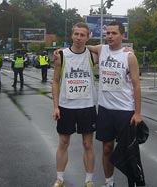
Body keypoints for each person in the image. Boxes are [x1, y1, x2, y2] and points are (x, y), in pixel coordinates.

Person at [87, 21, 142, 187]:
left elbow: (136, 85)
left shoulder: (129, 56)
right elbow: (83, 46)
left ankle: (133, 182)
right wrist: (62, 51)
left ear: (123, 35)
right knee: (107, 148)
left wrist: (138, 113)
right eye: (108, 33)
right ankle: (109, 183)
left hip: (125, 110)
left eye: (114, 33)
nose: (110, 36)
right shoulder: (101, 49)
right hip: (105, 109)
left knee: (128, 151)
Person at [52, 22, 97, 187]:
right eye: (76, 34)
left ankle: (89, 180)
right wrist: (56, 106)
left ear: (87, 37)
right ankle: (60, 179)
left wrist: (129, 50)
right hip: (66, 106)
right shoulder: (61, 56)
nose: (78, 38)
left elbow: (113, 52)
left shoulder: (93, 56)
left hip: (87, 106)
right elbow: (55, 82)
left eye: (82, 35)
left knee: (88, 144)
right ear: (72, 35)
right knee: (63, 143)